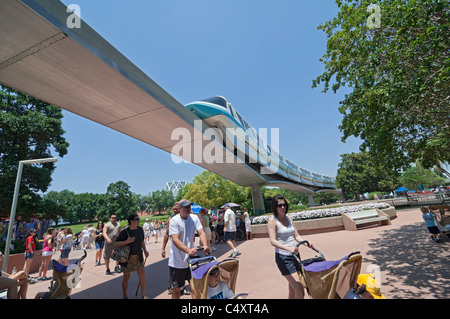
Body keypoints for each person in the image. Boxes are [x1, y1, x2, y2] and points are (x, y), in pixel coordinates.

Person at [268, 195, 314, 299]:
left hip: (295, 256)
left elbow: (296, 235)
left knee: (293, 288)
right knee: (299, 289)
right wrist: (288, 248)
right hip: (284, 258)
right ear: (275, 207)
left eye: (284, 205)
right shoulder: (272, 220)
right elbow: (273, 241)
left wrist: (306, 243)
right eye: (280, 205)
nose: (283, 207)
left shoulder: (288, 217)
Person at [168, 199, 210, 299]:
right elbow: (175, 239)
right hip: (177, 261)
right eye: (186, 207)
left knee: (194, 287)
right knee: (177, 288)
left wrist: (205, 245)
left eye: (189, 206)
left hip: (192, 260)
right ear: (180, 208)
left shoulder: (194, 218)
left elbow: (201, 232)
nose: (188, 208)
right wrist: (188, 250)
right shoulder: (174, 221)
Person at [115, 214, 149, 299]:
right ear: (131, 221)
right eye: (136, 219)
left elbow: (142, 241)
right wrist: (127, 241)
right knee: (126, 277)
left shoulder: (140, 230)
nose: (138, 221)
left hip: (138, 256)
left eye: (138, 219)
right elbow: (116, 243)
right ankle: (125, 295)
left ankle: (143, 295)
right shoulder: (125, 232)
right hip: (127, 258)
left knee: (142, 275)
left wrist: (145, 250)